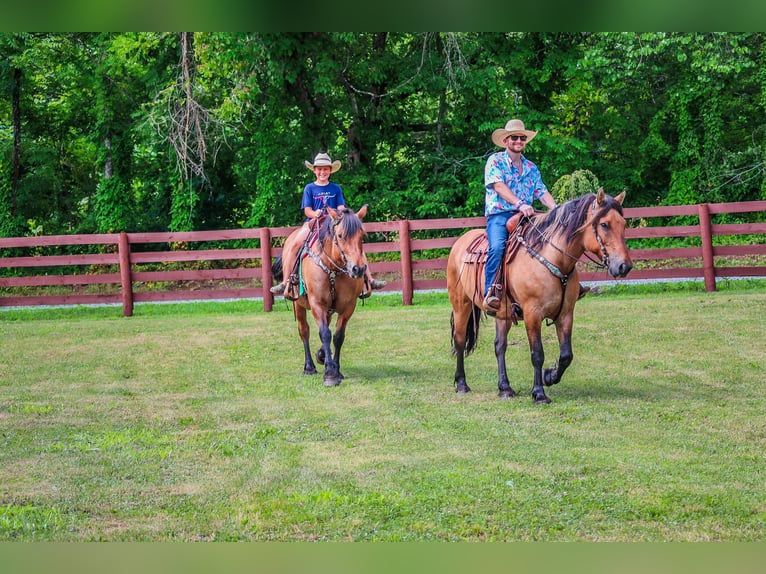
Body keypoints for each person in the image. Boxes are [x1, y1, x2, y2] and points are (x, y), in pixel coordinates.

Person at [270, 152, 386, 301]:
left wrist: (339, 214)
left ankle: (369, 279)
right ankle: (286, 282)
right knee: (295, 244)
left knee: (355, 245)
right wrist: (315, 213)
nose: (322, 172)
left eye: (325, 169)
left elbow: (341, 207)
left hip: (333, 223)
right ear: (314, 170)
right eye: (319, 169)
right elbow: (307, 210)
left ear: (330, 170)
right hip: (314, 223)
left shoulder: (336, 188)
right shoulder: (309, 188)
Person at [482, 119, 558, 313]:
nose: (518, 140)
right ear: (506, 140)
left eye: (522, 138)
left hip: (527, 216)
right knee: (498, 246)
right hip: (500, 215)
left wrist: (556, 208)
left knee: (556, 241)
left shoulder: (531, 167)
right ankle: (490, 291)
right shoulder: (495, 161)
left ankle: (560, 288)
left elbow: (541, 191)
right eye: (514, 137)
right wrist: (519, 203)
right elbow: (498, 186)